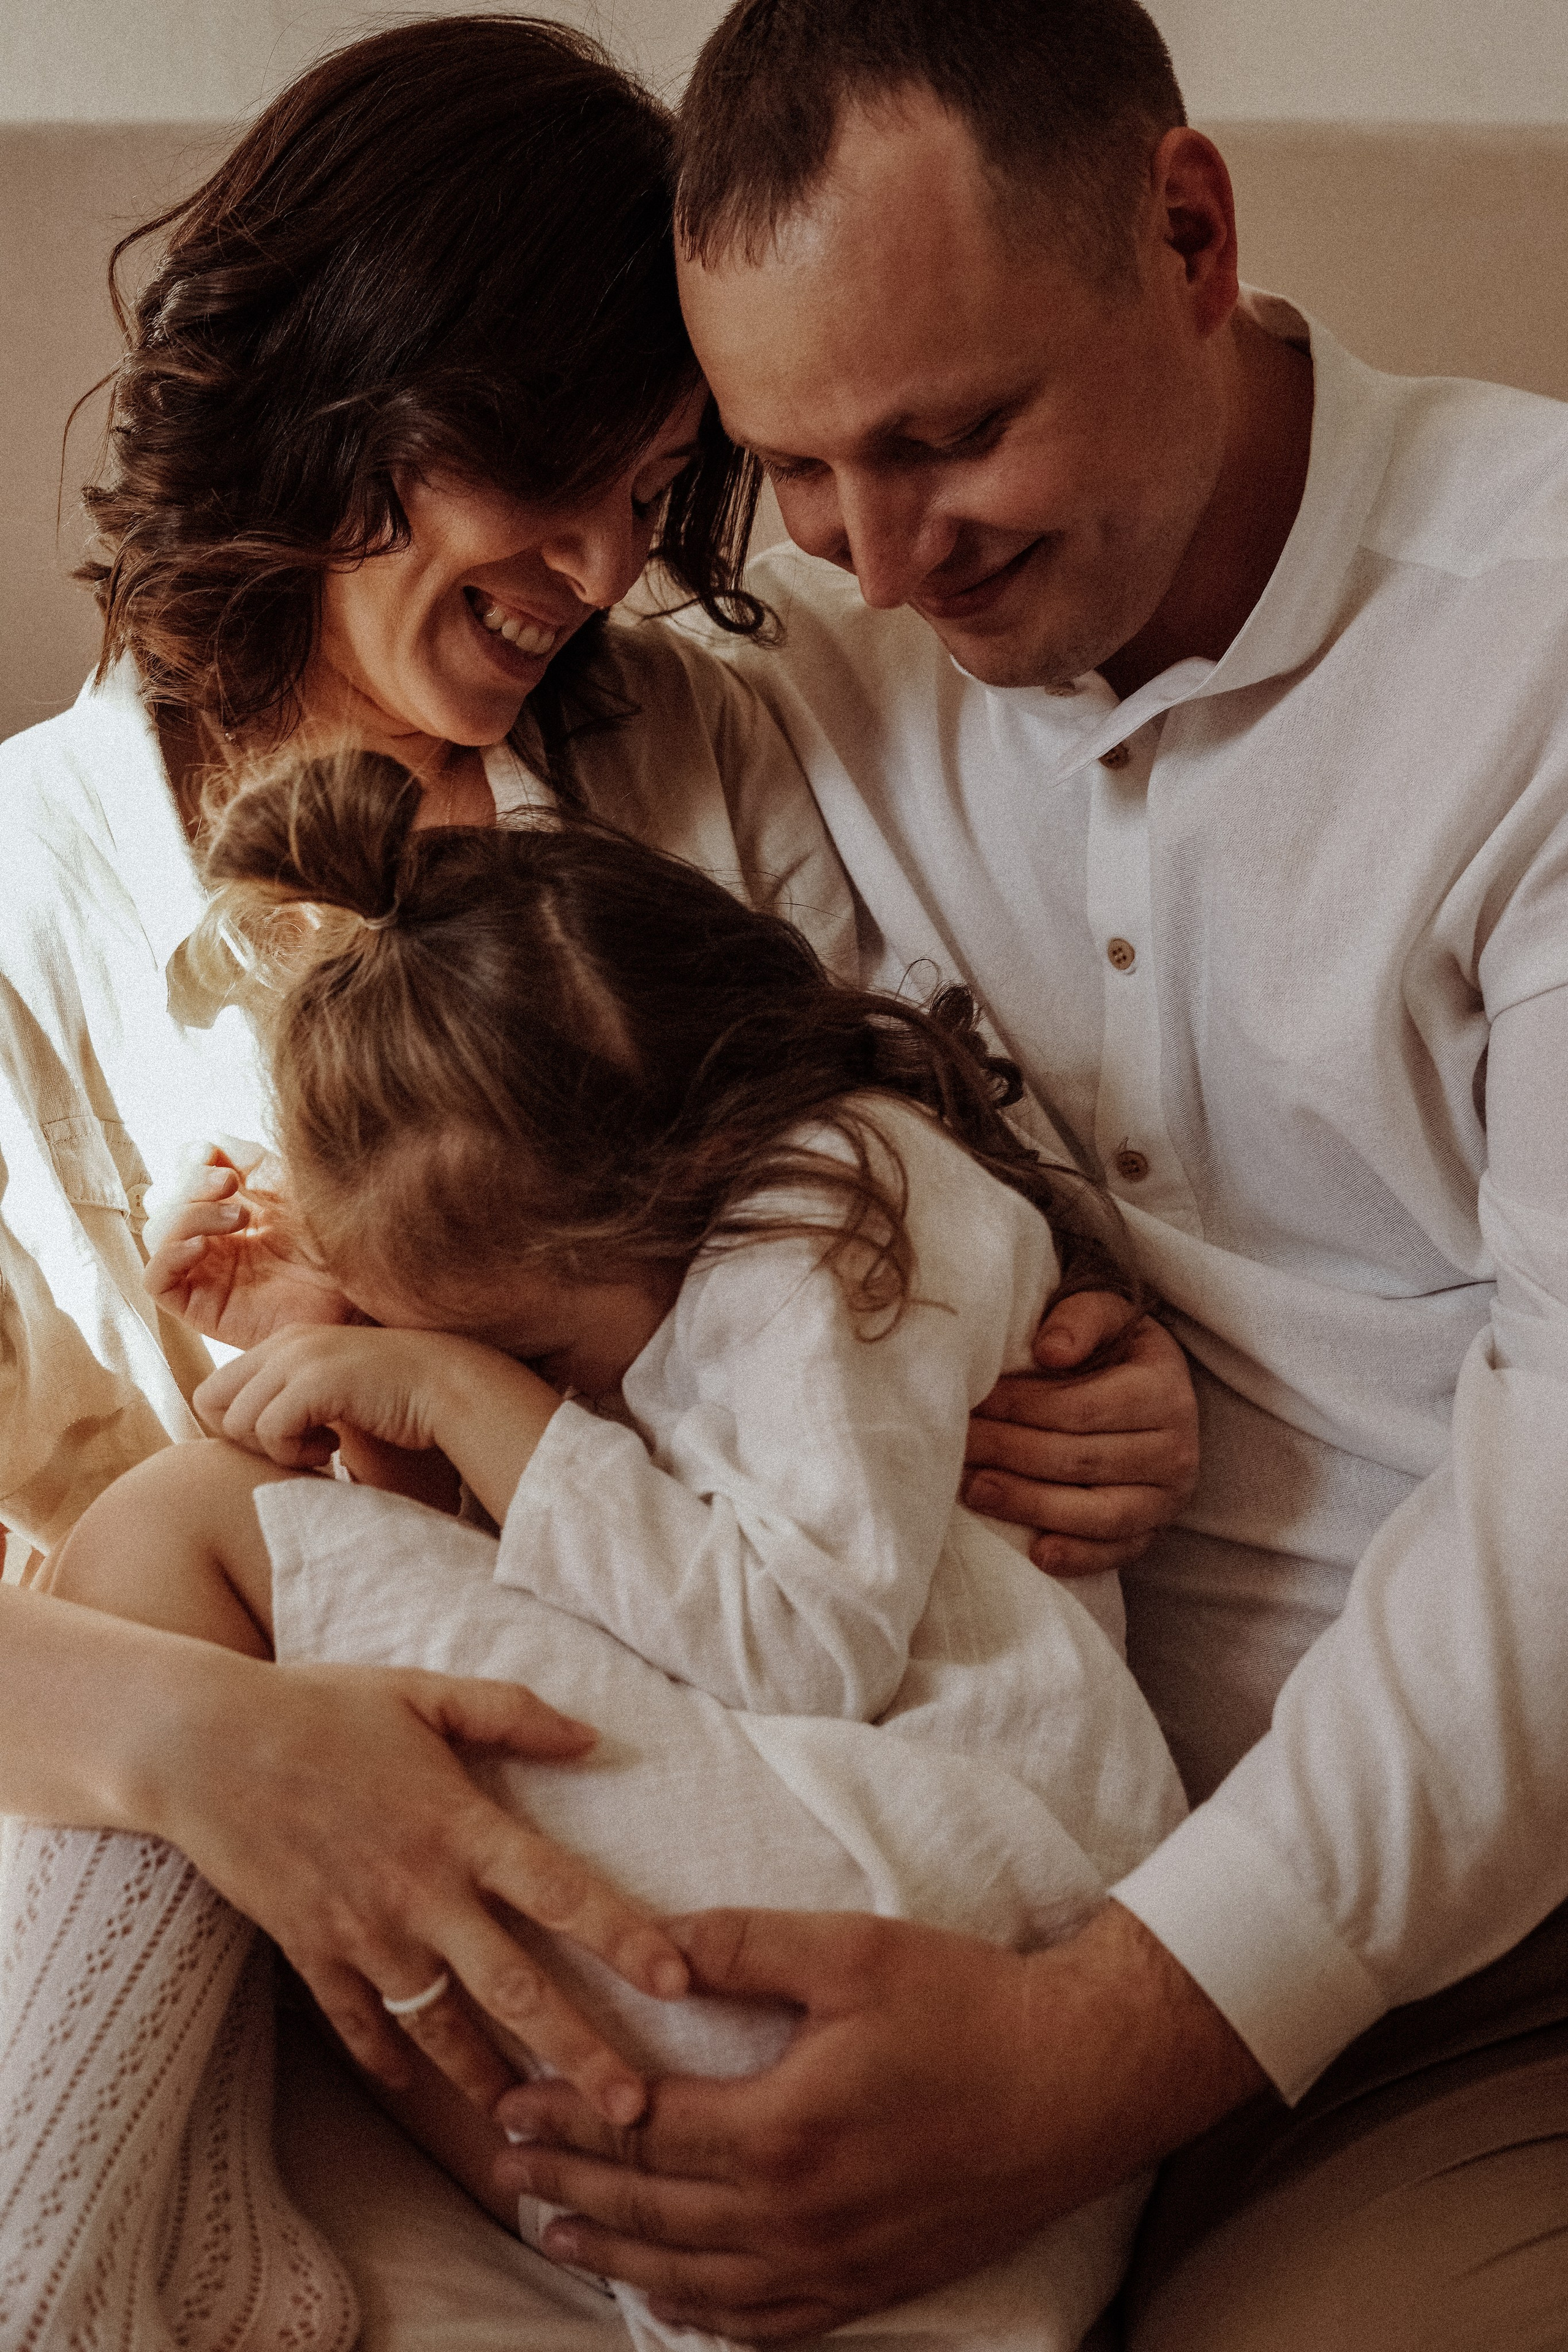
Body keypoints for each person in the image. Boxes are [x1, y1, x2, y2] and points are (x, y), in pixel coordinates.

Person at [0, 11, 1198, 2339]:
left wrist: (1093, 1360)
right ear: (331, 390)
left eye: (652, 486)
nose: (593, 565)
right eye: (534, 468)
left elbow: (912, 1172)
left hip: (768, 1780)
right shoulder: (31, 909)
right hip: (245, 1879)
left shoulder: (702, 758)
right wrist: (212, 1744)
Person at [483, 2, 1568, 2345]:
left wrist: (1092, 2054)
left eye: (949, 437)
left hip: (1500, 1936)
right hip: (1040, 1835)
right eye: (788, 470)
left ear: (1188, 234)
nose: (880, 563)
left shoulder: (1541, 656)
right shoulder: (794, 676)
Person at [32, 751, 1184, 2348]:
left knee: (184, 1539)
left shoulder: (835, 1213)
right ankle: (164, 2232)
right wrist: (345, 1360)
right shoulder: (684, 1209)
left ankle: (52, 2262)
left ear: (672, 1190)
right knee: (210, 1572)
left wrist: (454, 1385)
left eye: (532, 1351)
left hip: (942, 1903)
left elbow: (790, 1640)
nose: (520, 1393)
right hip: (842, 1860)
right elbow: (570, 1548)